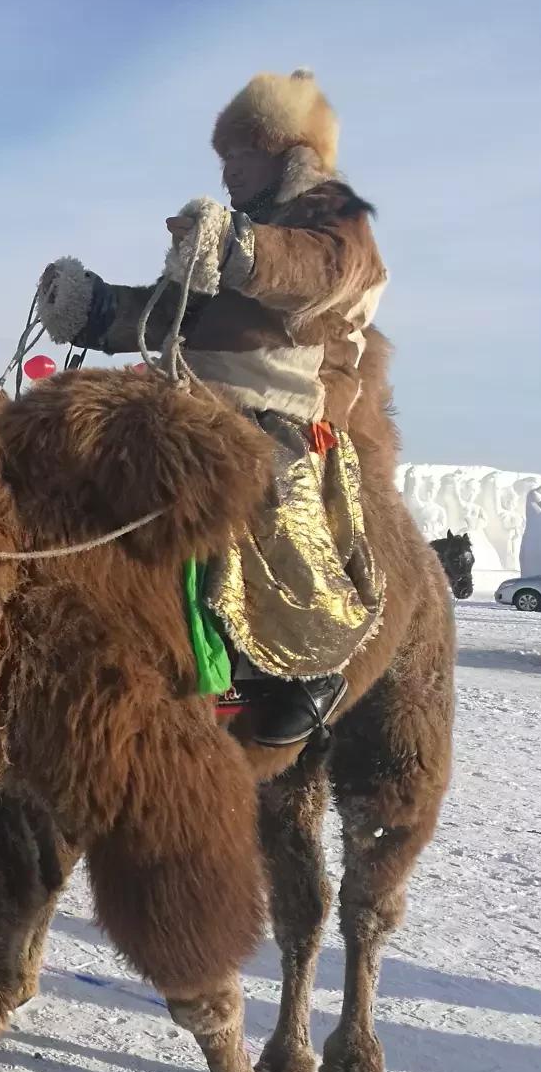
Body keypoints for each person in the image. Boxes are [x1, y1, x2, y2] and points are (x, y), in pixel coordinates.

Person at [38, 69, 388, 747]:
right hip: (189, 388)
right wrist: (94, 306)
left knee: (257, 480)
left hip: (285, 400)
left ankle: (304, 665)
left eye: (240, 158)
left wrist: (239, 249)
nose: (227, 174)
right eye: (223, 160)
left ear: (287, 154)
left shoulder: (335, 218)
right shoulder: (229, 235)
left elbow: (323, 272)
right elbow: (165, 315)